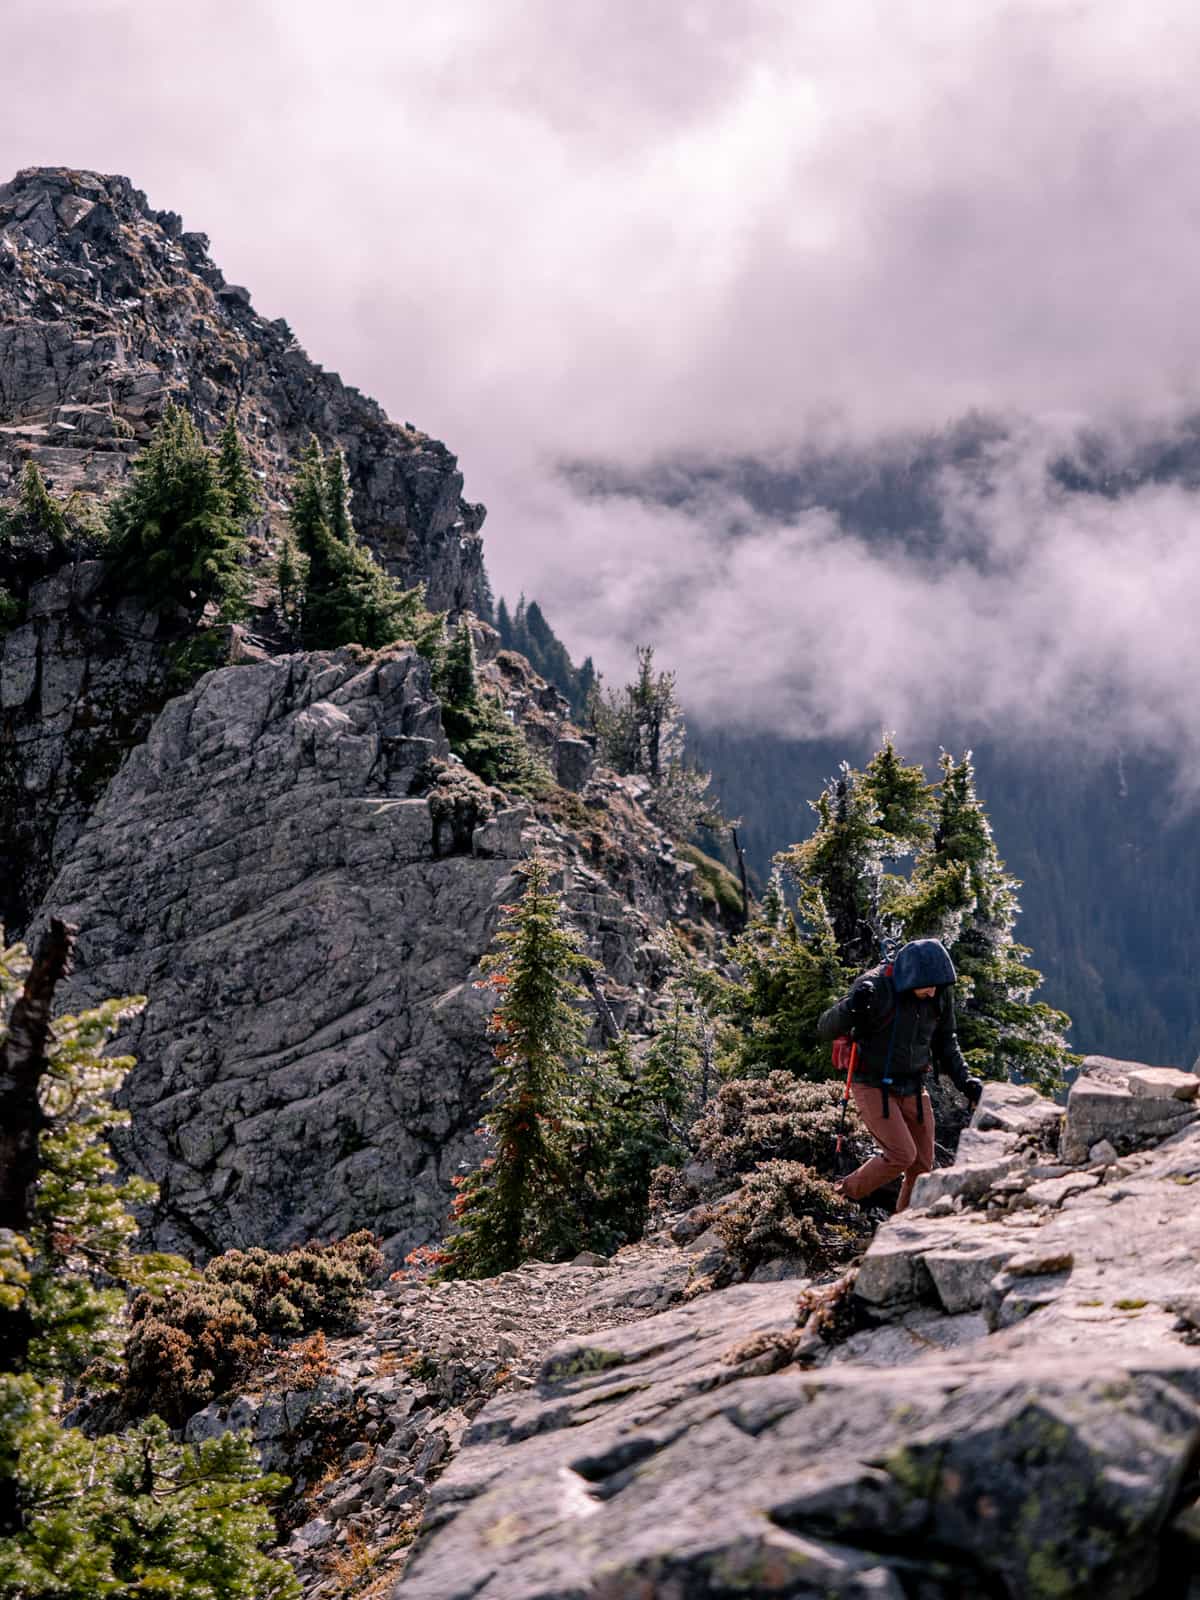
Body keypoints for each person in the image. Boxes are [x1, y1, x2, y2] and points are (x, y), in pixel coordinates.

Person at [817, 937, 983, 1213]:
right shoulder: (874, 987)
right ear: (910, 978)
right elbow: (825, 1027)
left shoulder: (938, 990)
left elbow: (946, 1042)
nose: (932, 992)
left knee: (922, 1166)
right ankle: (840, 1196)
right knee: (901, 1155)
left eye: (936, 986)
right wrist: (851, 1007)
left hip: (914, 1086)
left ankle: (901, 1227)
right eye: (926, 987)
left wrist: (965, 1081)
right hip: (872, 1084)